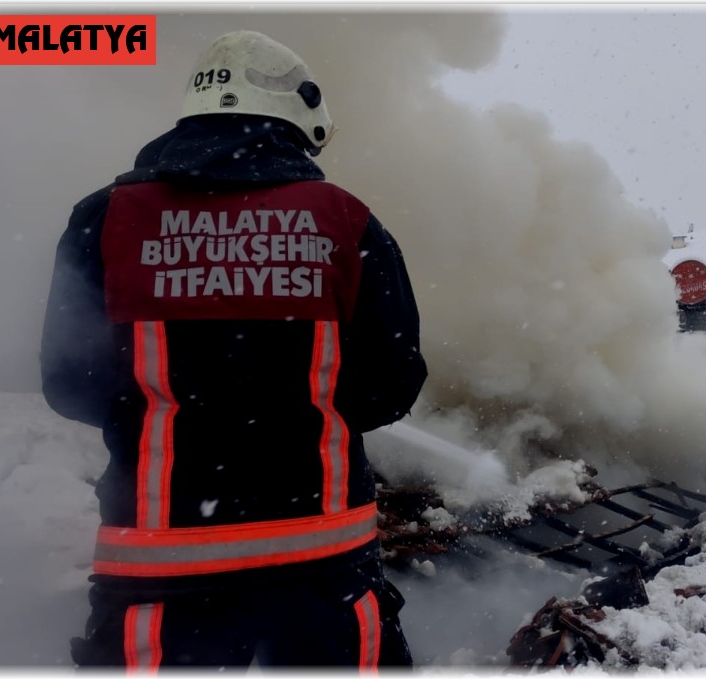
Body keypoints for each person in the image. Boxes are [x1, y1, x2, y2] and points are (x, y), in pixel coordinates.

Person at [40, 30, 427, 669]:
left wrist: (172, 414)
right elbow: (390, 383)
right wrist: (296, 412)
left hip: (155, 577)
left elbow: (68, 382)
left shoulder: (103, 218)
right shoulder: (346, 221)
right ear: (299, 118)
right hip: (322, 573)